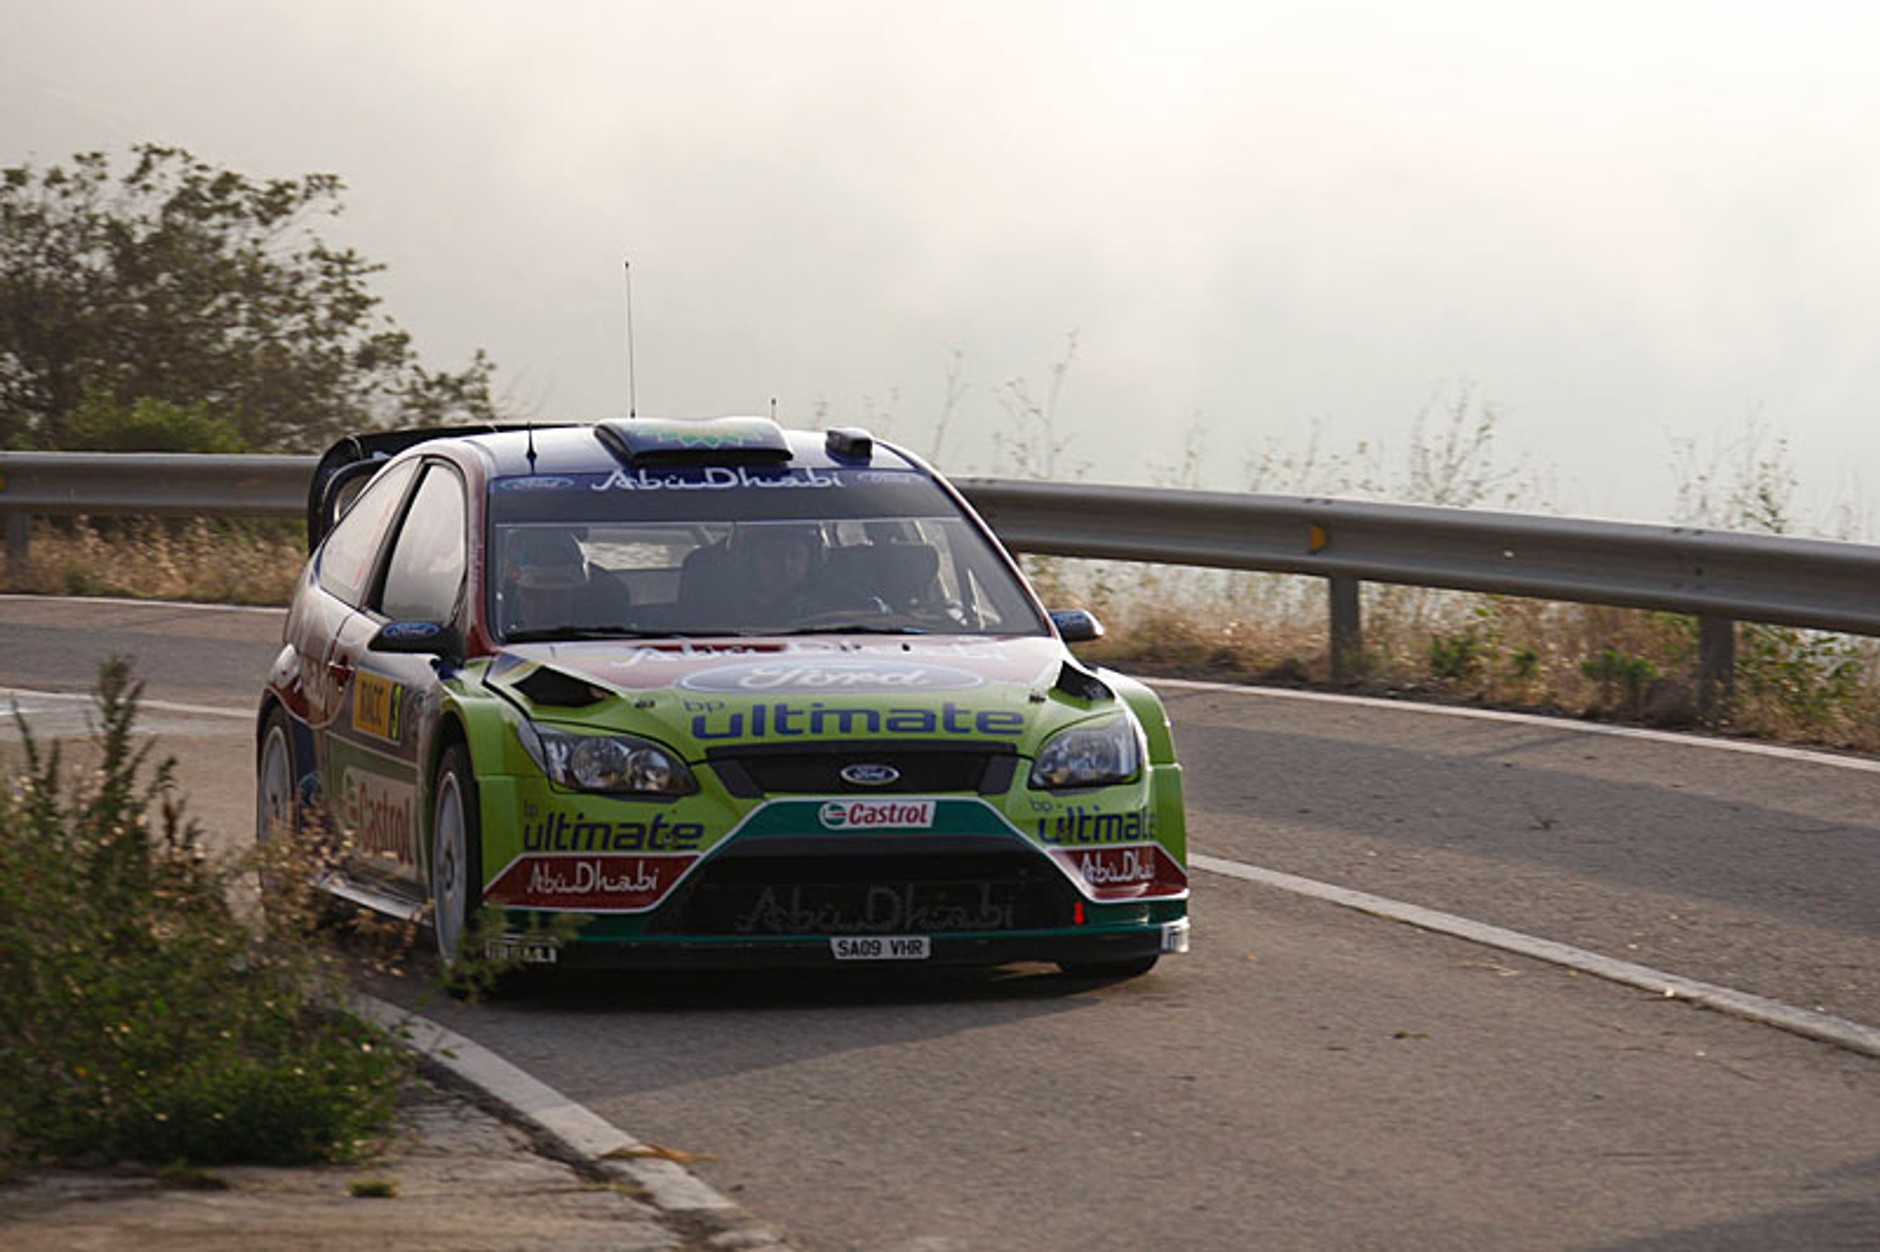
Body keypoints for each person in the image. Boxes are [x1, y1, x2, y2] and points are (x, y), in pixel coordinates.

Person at [500, 528, 589, 634]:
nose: (549, 606)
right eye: (537, 595)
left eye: (559, 595)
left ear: (575, 597)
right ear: (516, 595)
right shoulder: (492, 634)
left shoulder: (602, 638)